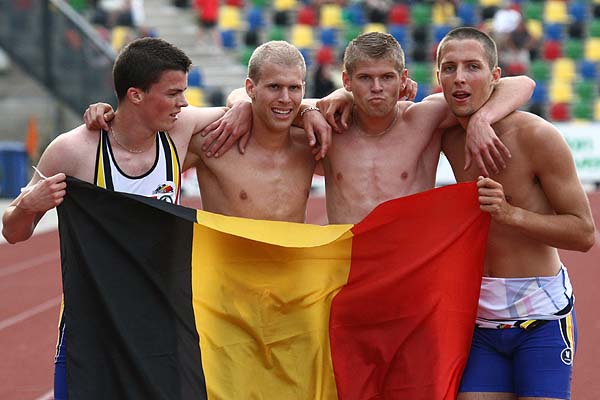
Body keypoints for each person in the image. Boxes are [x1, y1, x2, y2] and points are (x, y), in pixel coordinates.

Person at [2, 37, 227, 400]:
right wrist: (29, 205)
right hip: (92, 330)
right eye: (173, 93)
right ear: (135, 94)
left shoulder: (180, 131)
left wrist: (315, 110)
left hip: (159, 324)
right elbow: (13, 231)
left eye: (184, 92)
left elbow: (248, 103)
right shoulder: (74, 151)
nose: (184, 103)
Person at [208, 32, 535, 224]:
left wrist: (481, 118)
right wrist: (242, 106)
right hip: (350, 272)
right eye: (365, 78)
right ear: (347, 81)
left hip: (410, 268)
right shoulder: (329, 121)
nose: (377, 88)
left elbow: (521, 83)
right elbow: (261, 97)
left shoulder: (426, 118)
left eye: (387, 78)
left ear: (403, 79)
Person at [436, 27, 596, 400]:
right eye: (449, 68)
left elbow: (584, 233)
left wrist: (510, 214)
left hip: (541, 316)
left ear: (495, 76)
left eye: (472, 67)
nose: (460, 78)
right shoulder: (442, 131)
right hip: (479, 318)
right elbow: (379, 107)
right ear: (438, 75)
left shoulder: (536, 136)